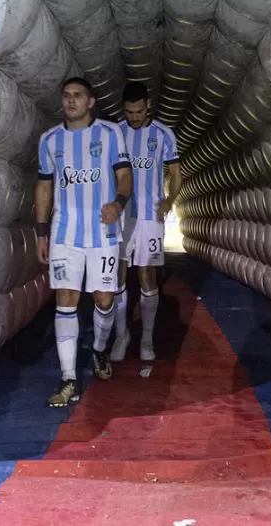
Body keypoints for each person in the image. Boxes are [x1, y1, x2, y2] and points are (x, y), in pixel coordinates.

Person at [36, 77, 133, 408]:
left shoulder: (109, 134)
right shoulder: (50, 141)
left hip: (103, 234)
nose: (71, 101)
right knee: (66, 299)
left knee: (104, 299)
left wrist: (118, 204)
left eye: (78, 96)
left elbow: (124, 176)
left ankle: (100, 348)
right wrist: (41, 232)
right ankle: (68, 379)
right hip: (65, 234)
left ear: (91, 102)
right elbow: (45, 187)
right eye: (66, 96)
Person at [110, 82, 182, 363]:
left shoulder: (163, 134)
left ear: (147, 106)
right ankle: (121, 335)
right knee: (117, 276)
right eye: (130, 112)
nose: (134, 117)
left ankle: (147, 339)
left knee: (147, 277)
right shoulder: (115, 133)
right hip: (122, 217)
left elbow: (176, 172)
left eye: (139, 111)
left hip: (150, 218)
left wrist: (170, 200)